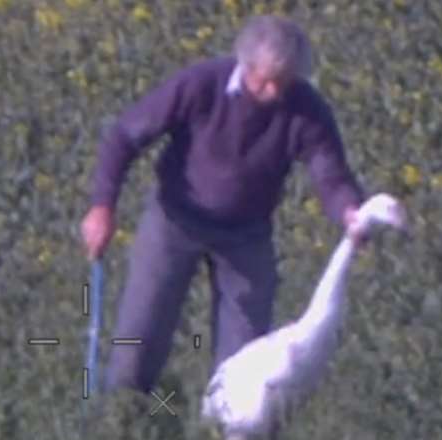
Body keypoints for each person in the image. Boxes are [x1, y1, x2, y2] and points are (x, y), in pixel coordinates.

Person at [81, 15, 367, 396]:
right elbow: (125, 136)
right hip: (174, 222)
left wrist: (349, 211)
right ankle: (120, 426)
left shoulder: (306, 109)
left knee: (246, 362)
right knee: (138, 341)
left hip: (246, 237)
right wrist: (103, 206)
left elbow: (329, 172)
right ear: (244, 64)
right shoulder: (202, 84)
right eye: (263, 80)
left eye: (282, 83)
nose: (271, 93)